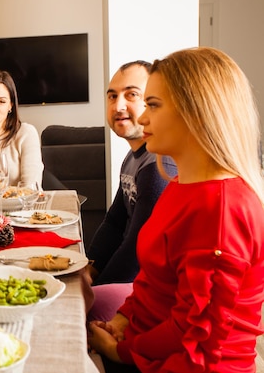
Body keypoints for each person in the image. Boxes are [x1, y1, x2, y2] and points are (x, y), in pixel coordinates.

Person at [88, 47, 264, 373]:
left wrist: (122, 351)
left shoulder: (222, 208)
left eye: (152, 105)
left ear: (198, 111)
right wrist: (124, 318)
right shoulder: (180, 183)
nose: (141, 117)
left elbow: (194, 333)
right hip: (149, 345)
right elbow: (153, 282)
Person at [85, 61, 177, 321]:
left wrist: (96, 285)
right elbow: (114, 221)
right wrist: (90, 266)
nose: (118, 105)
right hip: (128, 278)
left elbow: (138, 246)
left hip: (145, 286)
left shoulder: (160, 164)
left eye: (131, 95)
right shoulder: (134, 156)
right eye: (112, 96)